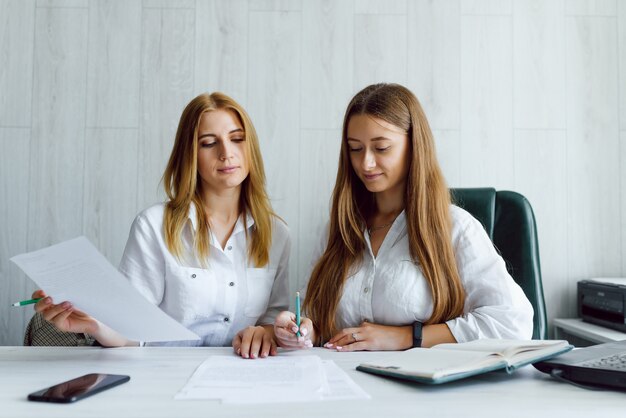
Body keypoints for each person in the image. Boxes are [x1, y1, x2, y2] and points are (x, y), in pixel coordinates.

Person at [274, 83, 533, 351]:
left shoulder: (456, 228)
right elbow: (314, 317)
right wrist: (301, 330)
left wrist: (407, 337)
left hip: (421, 388)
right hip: (344, 382)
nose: (366, 163)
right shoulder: (338, 228)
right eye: (355, 149)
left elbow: (512, 323)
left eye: (382, 148)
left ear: (414, 146)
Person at [31, 92, 290, 359]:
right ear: (190, 155)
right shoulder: (153, 226)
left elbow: (274, 314)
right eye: (209, 143)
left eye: (237, 139)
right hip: (163, 375)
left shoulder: (276, 235)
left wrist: (269, 331)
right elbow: (131, 326)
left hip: (242, 375)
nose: (226, 153)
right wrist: (94, 325)